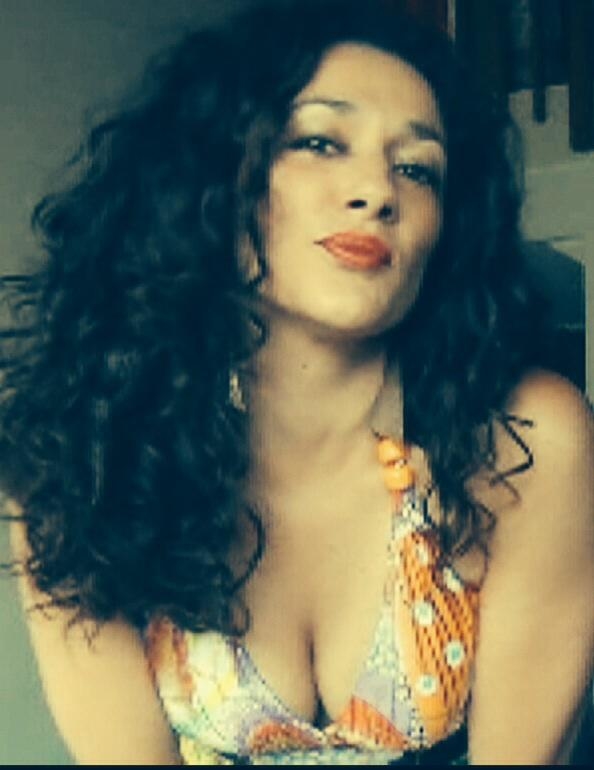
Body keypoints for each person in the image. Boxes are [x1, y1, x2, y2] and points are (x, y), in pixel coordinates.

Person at [1, 0, 592, 764]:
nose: (377, 191)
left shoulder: (524, 443)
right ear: (215, 181)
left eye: (417, 168)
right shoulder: (78, 462)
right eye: (319, 141)